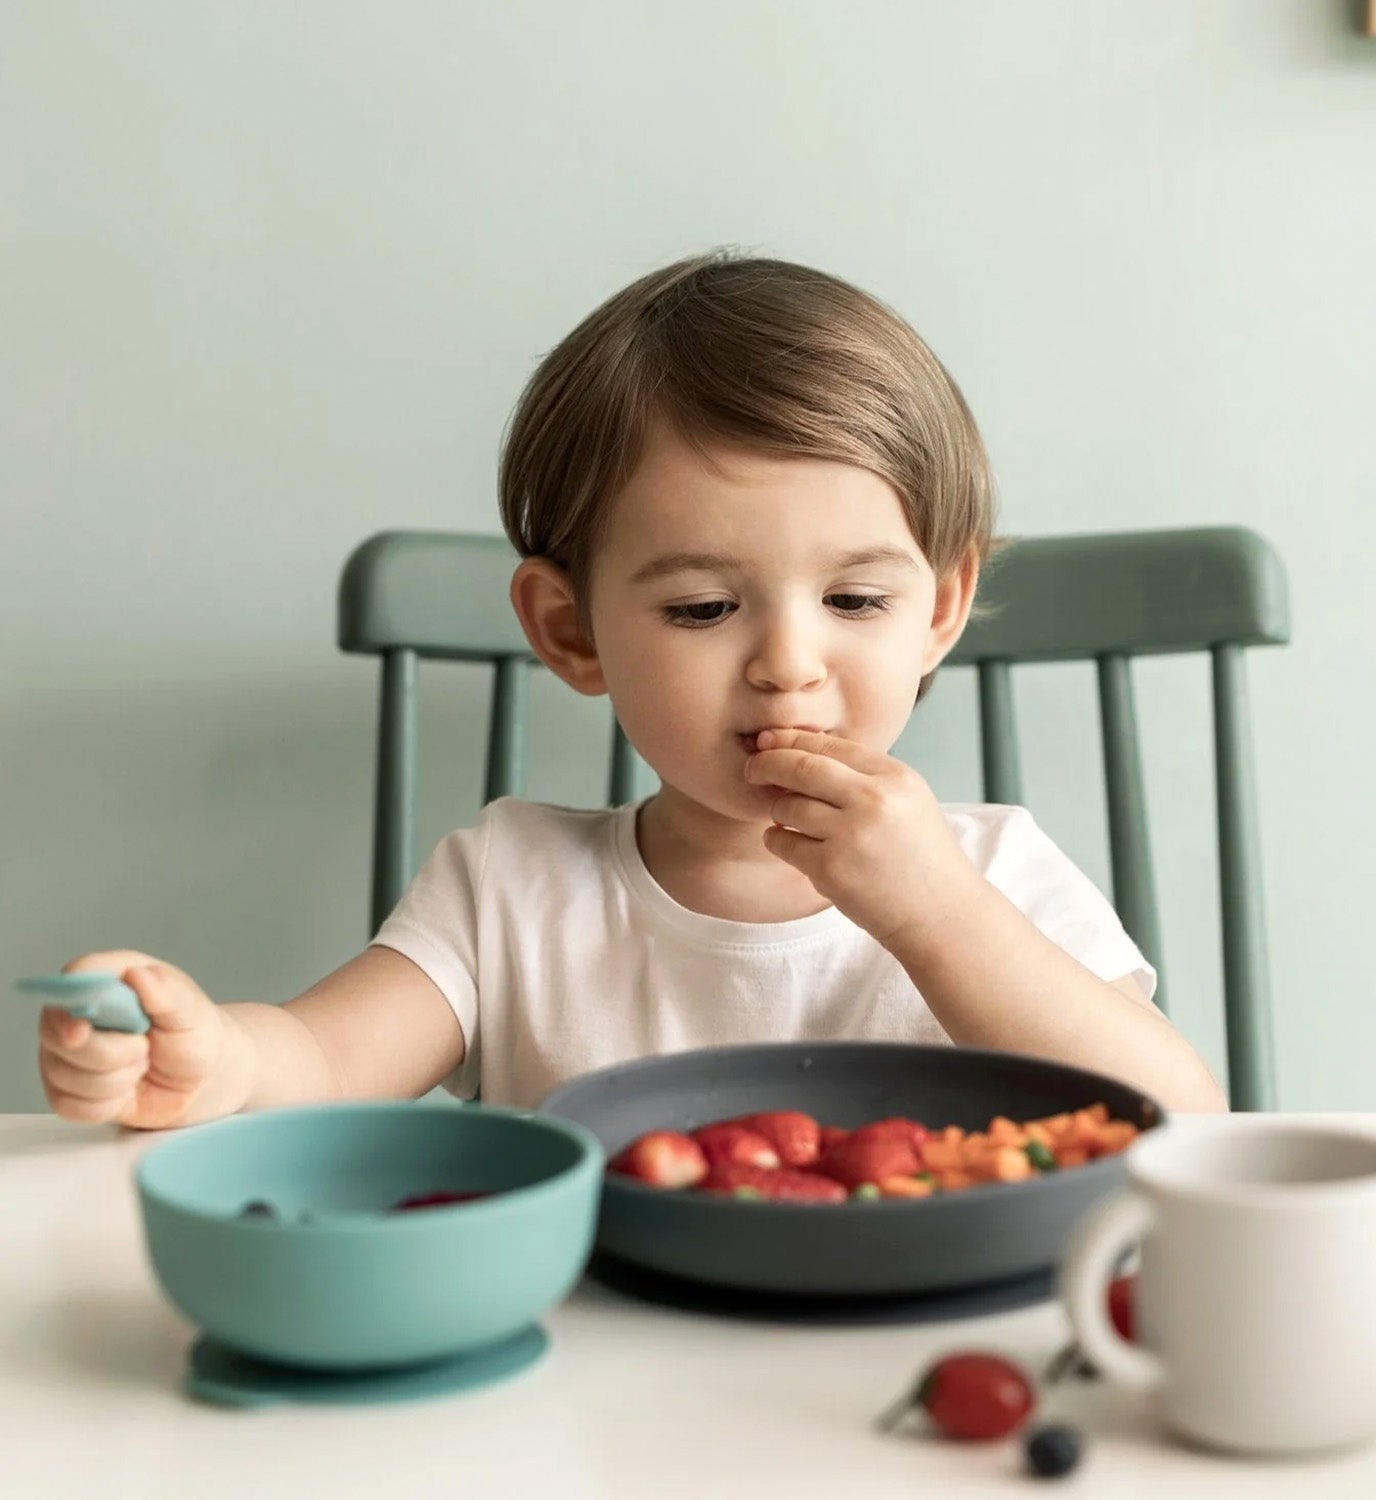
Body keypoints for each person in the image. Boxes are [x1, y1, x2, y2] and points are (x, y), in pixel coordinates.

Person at [37, 251, 1228, 1127]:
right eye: (705, 608)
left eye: (856, 602)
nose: (788, 663)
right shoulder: (511, 890)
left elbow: (1180, 1118)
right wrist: (209, 1061)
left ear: (941, 612)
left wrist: (934, 911)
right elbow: (316, 1057)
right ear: (571, 632)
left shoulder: (996, 880)